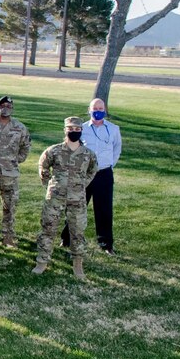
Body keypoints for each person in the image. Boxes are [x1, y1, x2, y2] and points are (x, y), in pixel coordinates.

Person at [33, 117, 99, 280]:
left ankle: (77, 263)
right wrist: (48, 180)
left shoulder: (88, 154)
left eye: (77, 129)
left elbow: (93, 170)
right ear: (65, 130)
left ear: (81, 131)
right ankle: (42, 261)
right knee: (48, 228)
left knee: (77, 231)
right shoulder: (54, 150)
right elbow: (43, 165)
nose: (74, 132)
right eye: (71, 129)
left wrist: (82, 183)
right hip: (55, 197)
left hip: (77, 198)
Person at [62, 98, 122, 255]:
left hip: (104, 174)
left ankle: (106, 244)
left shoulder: (114, 129)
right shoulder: (81, 128)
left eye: (101, 108)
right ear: (89, 110)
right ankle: (66, 239)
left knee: (104, 209)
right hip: (83, 174)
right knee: (76, 205)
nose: (98, 111)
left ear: (105, 109)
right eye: (95, 108)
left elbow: (116, 149)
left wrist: (108, 165)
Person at [0, 95, 31, 247]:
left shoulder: (20, 127)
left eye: (9, 106)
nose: (6, 109)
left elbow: (25, 146)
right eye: (3, 106)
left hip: (10, 173)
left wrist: (16, 160)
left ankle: (7, 236)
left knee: (10, 206)